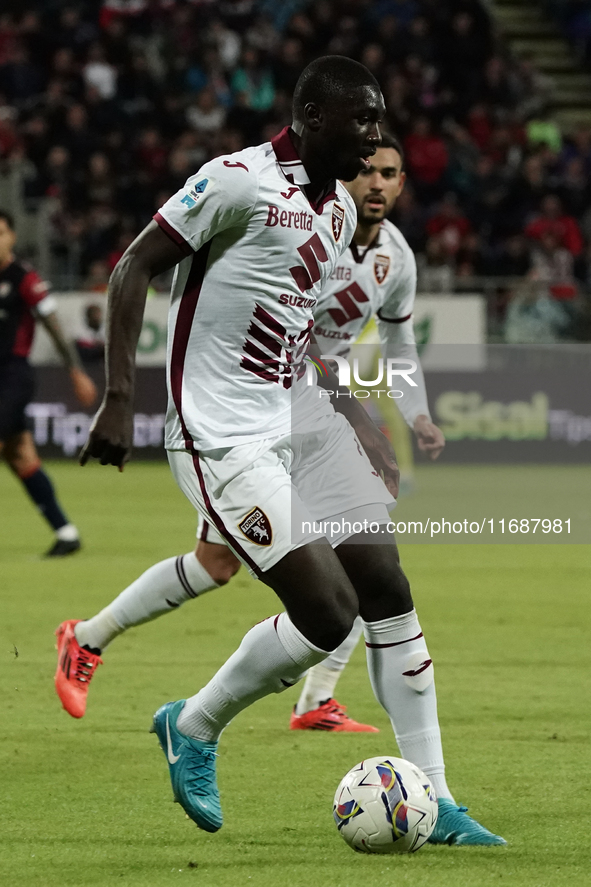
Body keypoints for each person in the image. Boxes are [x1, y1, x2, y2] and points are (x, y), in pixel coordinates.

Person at [57, 57, 504, 845]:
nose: (372, 136)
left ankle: (434, 800)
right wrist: (119, 397)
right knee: (328, 613)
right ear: (311, 117)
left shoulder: (336, 215)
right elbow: (133, 268)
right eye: (361, 120)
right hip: (219, 431)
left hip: (297, 412)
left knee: (385, 584)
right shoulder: (236, 182)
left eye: (378, 120)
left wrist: (359, 419)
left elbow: (299, 336)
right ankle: (192, 725)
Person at [54, 134, 445, 734]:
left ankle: (310, 698)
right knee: (227, 565)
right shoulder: (303, 216)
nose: (374, 181)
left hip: (312, 414)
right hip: (261, 411)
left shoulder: (396, 257)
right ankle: (90, 641)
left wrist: (407, 411)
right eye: (367, 169)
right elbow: (282, 330)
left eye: (388, 172)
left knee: (352, 567)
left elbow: (399, 342)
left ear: (400, 184)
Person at [0, 210, 97, 556]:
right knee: (21, 456)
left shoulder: (24, 278)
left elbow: (53, 326)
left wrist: (75, 370)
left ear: (12, 237)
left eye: (1, 233)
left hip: (13, 376)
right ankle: (66, 533)